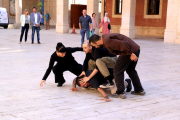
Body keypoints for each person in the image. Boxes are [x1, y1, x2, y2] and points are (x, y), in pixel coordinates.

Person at [89, 33, 146, 99]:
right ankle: (139, 90)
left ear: (97, 42)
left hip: (129, 52)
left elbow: (123, 44)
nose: (96, 47)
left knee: (117, 70)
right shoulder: (105, 38)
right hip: (135, 49)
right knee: (130, 70)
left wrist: (131, 53)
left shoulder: (107, 41)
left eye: (95, 46)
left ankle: (120, 92)